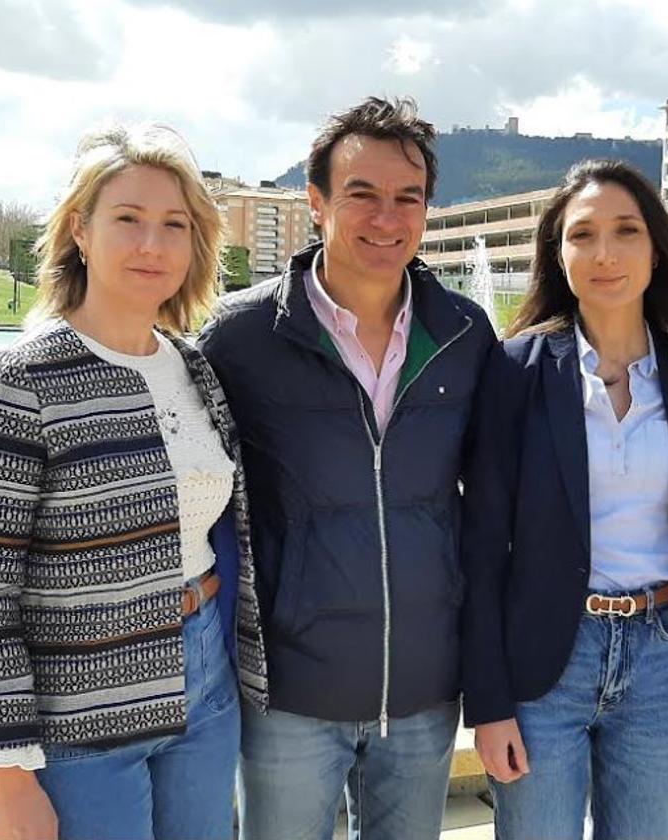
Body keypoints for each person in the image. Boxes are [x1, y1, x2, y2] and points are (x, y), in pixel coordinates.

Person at [0, 122, 268, 840]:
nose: (153, 244)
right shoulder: (14, 383)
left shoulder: (194, 368)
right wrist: (7, 776)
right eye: (129, 219)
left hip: (206, 680)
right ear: (80, 232)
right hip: (79, 713)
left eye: (174, 225)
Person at [198, 96, 497, 840]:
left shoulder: (465, 333)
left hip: (426, 694)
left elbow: (493, 503)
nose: (386, 218)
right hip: (292, 696)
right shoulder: (240, 338)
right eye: (362, 194)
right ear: (317, 202)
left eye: (408, 198)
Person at [461, 160, 668, 840]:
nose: (604, 253)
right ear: (558, 254)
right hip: (546, 665)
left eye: (626, 231)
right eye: (582, 235)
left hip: (665, 658)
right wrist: (488, 703)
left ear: (656, 248)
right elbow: (481, 548)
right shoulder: (515, 371)